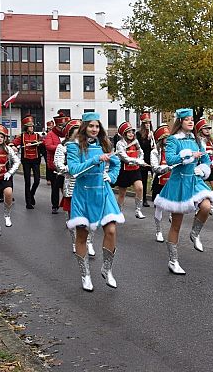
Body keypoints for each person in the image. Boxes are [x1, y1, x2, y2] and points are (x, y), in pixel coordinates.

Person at [153, 108, 213, 275]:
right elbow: (171, 159)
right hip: (179, 182)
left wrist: (202, 169)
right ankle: (173, 261)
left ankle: (195, 234)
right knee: (176, 224)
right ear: (180, 121)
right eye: (187, 119)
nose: (190, 122)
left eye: (192, 120)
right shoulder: (173, 139)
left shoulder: (197, 140)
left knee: (206, 206)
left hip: (194, 180)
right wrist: (188, 155)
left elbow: (205, 160)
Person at [66, 112, 124, 292]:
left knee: (112, 230)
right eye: (91, 126)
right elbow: (74, 170)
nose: (94, 129)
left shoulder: (105, 144)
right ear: (84, 127)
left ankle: (107, 269)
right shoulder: (74, 147)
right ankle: (85, 274)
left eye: (97, 126)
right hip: (83, 194)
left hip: (103, 192)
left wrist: (111, 176)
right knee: (82, 235)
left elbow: (116, 163)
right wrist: (95, 159)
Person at [54, 119, 95, 256]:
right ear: (70, 133)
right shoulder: (63, 147)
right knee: (72, 218)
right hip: (71, 185)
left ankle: (88, 242)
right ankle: (74, 242)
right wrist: (72, 168)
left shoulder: (88, 146)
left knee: (90, 215)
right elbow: (59, 165)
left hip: (87, 185)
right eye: (76, 131)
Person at [115, 121, 147, 219]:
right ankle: (118, 212)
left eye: (132, 132)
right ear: (124, 134)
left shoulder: (136, 142)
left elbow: (141, 152)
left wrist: (140, 160)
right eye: (128, 132)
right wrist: (138, 161)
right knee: (122, 194)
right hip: (124, 171)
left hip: (135, 170)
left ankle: (138, 210)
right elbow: (125, 158)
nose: (131, 134)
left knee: (140, 188)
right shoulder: (119, 144)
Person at [12, 115, 43, 209]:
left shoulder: (38, 136)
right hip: (26, 161)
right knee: (27, 182)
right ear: (26, 127)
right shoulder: (21, 136)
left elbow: (43, 143)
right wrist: (13, 146)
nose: (31, 128)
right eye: (29, 126)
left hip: (36, 160)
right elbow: (13, 143)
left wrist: (37, 144)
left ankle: (31, 194)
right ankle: (28, 202)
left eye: (32, 126)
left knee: (37, 180)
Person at [150, 124, 172, 242]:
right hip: (159, 182)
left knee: (173, 206)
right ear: (160, 139)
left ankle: (172, 227)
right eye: (165, 138)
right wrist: (167, 168)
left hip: (172, 182)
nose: (168, 140)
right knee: (159, 207)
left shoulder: (173, 150)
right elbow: (154, 167)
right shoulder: (155, 152)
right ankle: (158, 231)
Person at [195, 117, 213, 218]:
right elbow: (200, 152)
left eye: (208, 128)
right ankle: (199, 205)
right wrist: (207, 152)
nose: (207, 130)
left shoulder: (211, 140)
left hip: (211, 166)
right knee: (200, 188)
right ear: (200, 129)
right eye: (205, 128)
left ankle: (212, 206)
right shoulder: (197, 140)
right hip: (201, 166)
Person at [44, 112, 70, 214]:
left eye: (64, 126)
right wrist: (62, 148)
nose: (62, 128)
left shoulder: (68, 134)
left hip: (67, 165)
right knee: (55, 187)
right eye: (61, 126)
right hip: (54, 166)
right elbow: (48, 146)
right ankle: (54, 206)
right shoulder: (51, 134)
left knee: (67, 186)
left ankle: (67, 204)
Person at [136, 112, 155, 207]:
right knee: (143, 179)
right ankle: (143, 199)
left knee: (155, 178)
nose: (148, 125)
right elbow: (141, 147)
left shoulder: (152, 133)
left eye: (149, 123)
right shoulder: (138, 134)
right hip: (144, 159)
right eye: (146, 123)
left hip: (153, 159)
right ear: (143, 124)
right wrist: (148, 139)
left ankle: (155, 198)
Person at [44, 120, 54, 186]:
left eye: (51, 127)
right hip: (46, 150)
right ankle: (48, 179)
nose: (50, 129)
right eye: (48, 128)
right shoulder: (45, 134)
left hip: (53, 150)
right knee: (48, 165)